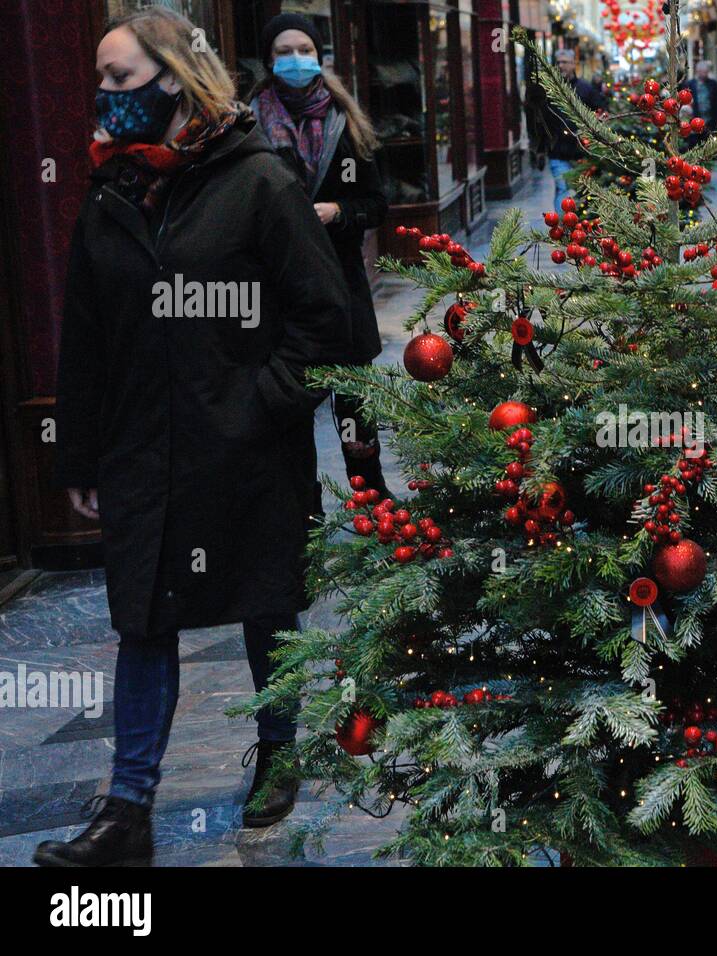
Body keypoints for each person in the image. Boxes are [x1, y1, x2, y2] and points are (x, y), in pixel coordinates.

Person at [36, 6, 351, 866]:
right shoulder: (111, 192)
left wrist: (259, 405)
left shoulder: (258, 182)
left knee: (265, 604)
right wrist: (80, 452)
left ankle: (277, 755)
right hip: (143, 447)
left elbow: (331, 326)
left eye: (120, 78)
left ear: (172, 77)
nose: (105, 94)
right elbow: (89, 337)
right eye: (102, 78)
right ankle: (126, 811)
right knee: (142, 620)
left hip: (245, 448)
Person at [250, 13, 392, 499]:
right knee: (290, 403)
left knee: (355, 401)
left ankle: (370, 494)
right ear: (269, 59)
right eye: (284, 51)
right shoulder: (250, 125)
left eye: (304, 50)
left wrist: (338, 211)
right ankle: (302, 506)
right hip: (279, 292)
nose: (295, 59)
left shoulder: (345, 122)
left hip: (340, 286)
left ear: (319, 56)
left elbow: (376, 204)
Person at [543, 48, 606, 208]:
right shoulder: (550, 90)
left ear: (573, 64)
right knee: (563, 190)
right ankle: (563, 229)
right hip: (558, 152)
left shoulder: (585, 89)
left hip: (582, 152)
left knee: (582, 191)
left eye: (565, 62)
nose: (561, 65)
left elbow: (601, 112)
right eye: (558, 62)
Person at [685, 59, 717, 145]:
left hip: (710, 121)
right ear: (698, 72)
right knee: (695, 144)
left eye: (706, 72)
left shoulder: (713, 84)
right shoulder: (690, 84)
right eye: (703, 72)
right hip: (695, 121)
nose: (705, 74)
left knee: (710, 144)